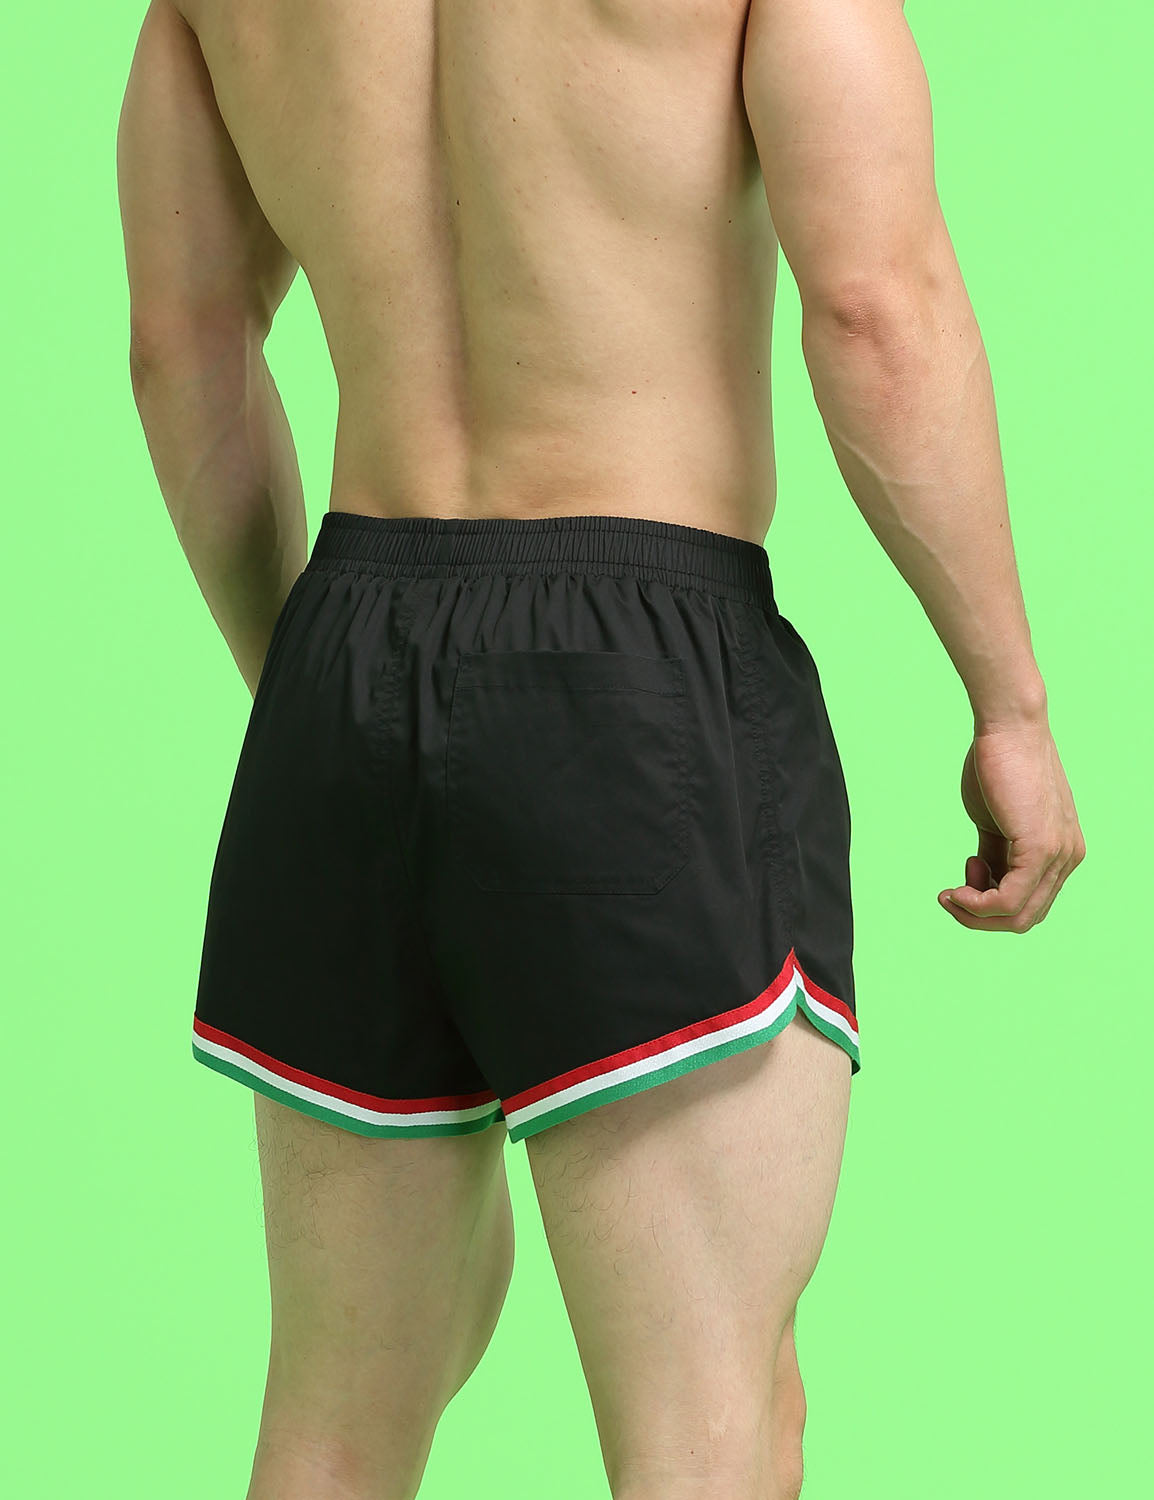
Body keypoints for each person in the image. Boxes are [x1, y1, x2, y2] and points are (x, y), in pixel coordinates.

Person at [116, 1, 1085, 1496]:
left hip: (344, 667)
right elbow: (874, 308)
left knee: (332, 1432)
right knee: (710, 1435)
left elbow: (183, 345)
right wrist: (1009, 705)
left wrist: (313, 697)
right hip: (638, 671)